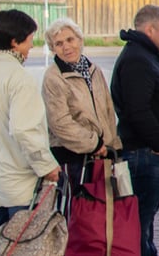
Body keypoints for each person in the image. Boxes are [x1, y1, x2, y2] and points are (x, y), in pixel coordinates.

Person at [0, 10, 61, 249]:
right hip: (20, 184)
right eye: (29, 38)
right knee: (23, 247)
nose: (32, 45)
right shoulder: (20, 78)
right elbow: (25, 130)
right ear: (14, 41)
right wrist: (47, 166)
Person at [112, 4, 159, 256]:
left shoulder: (146, 55)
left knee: (144, 222)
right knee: (138, 224)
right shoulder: (136, 59)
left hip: (148, 152)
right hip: (143, 154)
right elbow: (137, 110)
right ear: (150, 30)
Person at [41, 17, 122, 203]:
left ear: (80, 40)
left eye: (70, 40)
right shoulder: (53, 77)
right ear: (52, 49)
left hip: (101, 155)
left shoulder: (94, 70)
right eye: (59, 44)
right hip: (73, 158)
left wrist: (112, 146)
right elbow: (60, 123)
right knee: (77, 211)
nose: (66, 47)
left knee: (102, 210)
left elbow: (108, 111)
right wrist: (94, 144)